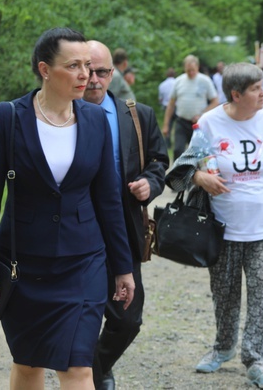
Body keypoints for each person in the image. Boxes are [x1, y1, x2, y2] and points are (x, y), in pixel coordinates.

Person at [0, 27, 135, 389]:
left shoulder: (94, 121)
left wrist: (123, 267)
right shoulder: (8, 117)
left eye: (88, 66)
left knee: (77, 368)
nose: (85, 76)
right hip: (23, 263)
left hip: (83, 262)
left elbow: (109, 201)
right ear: (45, 69)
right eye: (73, 65)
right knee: (28, 364)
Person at [166, 63, 263, 389]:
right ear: (236, 94)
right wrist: (200, 177)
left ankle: (255, 358)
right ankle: (223, 346)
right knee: (224, 294)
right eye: (256, 89)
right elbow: (182, 168)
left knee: (261, 292)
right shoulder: (211, 123)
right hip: (222, 228)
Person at [84, 41, 169, 390]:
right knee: (82, 314)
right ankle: (87, 375)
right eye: (87, 70)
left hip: (124, 226)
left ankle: (97, 364)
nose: (93, 79)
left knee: (128, 318)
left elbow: (158, 162)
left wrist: (150, 184)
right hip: (78, 227)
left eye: (101, 72)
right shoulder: (59, 115)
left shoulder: (138, 114)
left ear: (112, 73)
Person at [162, 54, 219, 160]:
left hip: (198, 124)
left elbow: (215, 101)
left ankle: (196, 174)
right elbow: (171, 104)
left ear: (197, 67)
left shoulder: (205, 80)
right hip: (181, 121)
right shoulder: (178, 81)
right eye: (188, 70)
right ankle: (178, 175)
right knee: (178, 150)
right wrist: (166, 125)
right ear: (184, 68)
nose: (191, 72)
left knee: (199, 153)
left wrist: (201, 114)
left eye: (193, 70)